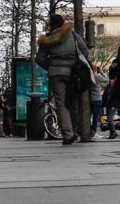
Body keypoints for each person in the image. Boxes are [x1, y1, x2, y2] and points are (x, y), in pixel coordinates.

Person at [35, 13, 92, 144]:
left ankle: (68, 133)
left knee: (60, 104)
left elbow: (39, 59)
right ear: (62, 24)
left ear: (51, 25)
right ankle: (77, 130)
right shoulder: (72, 35)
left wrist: (50, 66)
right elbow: (85, 52)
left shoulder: (46, 40)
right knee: (73, 102)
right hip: (73, 73)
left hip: (56, 74)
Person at [89, 63, 108, 139]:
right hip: (97, 99)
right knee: (96, 117)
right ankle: (93, 131)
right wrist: (101, 71)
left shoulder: (89, 76)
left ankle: (89, 130)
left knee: (89, 116)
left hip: (90, 99)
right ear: (95, 69)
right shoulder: (97, 76)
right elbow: (106, 80)